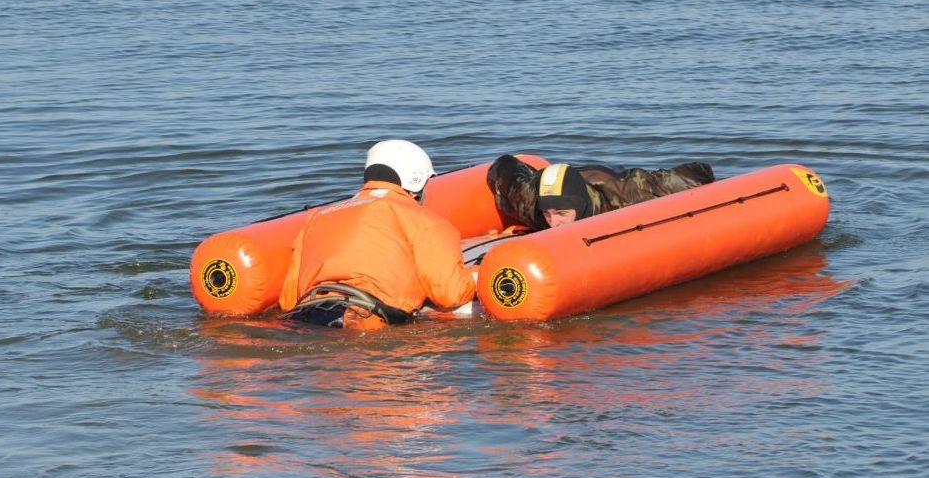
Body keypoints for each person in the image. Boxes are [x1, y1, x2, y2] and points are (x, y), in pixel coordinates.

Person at [279, 139, 477, 330]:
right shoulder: (423, 220)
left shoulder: (316, 217)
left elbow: (288, 301)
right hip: (361, 323)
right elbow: (451, 294)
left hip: (304, 319)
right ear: (417, 181)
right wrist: (477, 275)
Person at [487, 154, 716, 230]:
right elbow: (504, 164)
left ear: (578, 207)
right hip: (547, 180)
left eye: (562, 214)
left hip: (607, 180)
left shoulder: (622, 195)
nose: (553, 223)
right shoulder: (532, 205)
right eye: (548, 214)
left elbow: (687, 176)